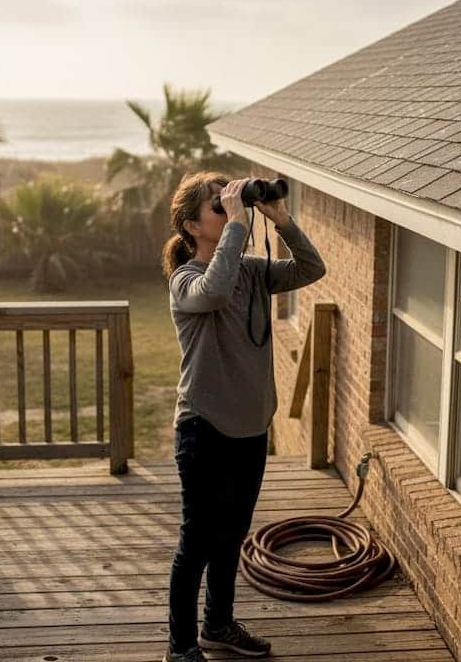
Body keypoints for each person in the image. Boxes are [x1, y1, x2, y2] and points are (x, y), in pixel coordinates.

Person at [161, 171, 326, 661]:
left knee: (231, 537)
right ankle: (182, 647)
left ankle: (217, 626)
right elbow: (214, 291)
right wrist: (237, 225)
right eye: (218, 206)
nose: (230, 209)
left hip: (251, 427)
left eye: (231, 202)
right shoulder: (185, 281)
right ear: (192, 226)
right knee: (198, 543)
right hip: (205, 427)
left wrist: (281, 219)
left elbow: (311, 268)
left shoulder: (252, 270)